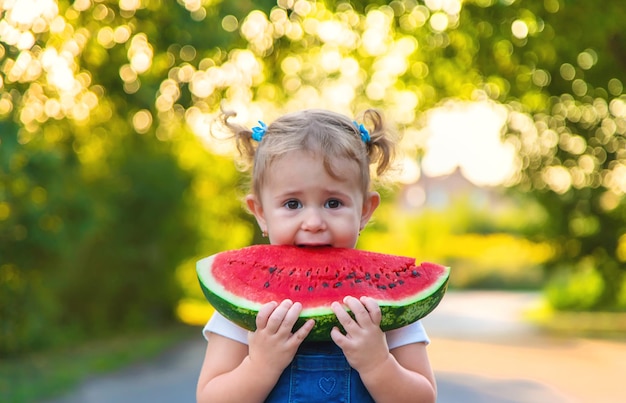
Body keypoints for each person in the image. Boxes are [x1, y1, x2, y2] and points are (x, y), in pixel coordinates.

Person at [196, 108, 437, 403]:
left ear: (364, 211)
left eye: (333, 203)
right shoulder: (238, 313)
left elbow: (424, 398)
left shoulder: (387, 307)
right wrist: (259, 366)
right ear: (260, 213)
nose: (313, 222)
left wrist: (378, 364)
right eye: (292, 204)